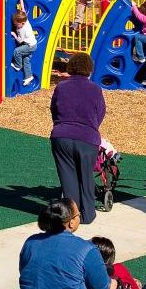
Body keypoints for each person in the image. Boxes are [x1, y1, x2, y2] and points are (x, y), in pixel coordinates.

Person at [50, 53, 106, 224]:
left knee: (68, 178)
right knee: (86, 177)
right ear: (89, 69)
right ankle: (88, 214)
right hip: (87, 137)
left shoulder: (61, 87)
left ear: (71, 67)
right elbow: (100, 112)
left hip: (62, 135)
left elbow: (54, 109)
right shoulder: (95, 89)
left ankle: (71, 215)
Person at [11, 0, 38, 85]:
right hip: (33, 44)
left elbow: (19, 41)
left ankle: (18, 65)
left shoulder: (24, 29)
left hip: (30, 46)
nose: (15, 25)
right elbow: (23, 9)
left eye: (16, 24)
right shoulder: (24, 20)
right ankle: (29, 76)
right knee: (26, 61)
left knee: (17, 51)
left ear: (22, 23)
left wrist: (14, 35)